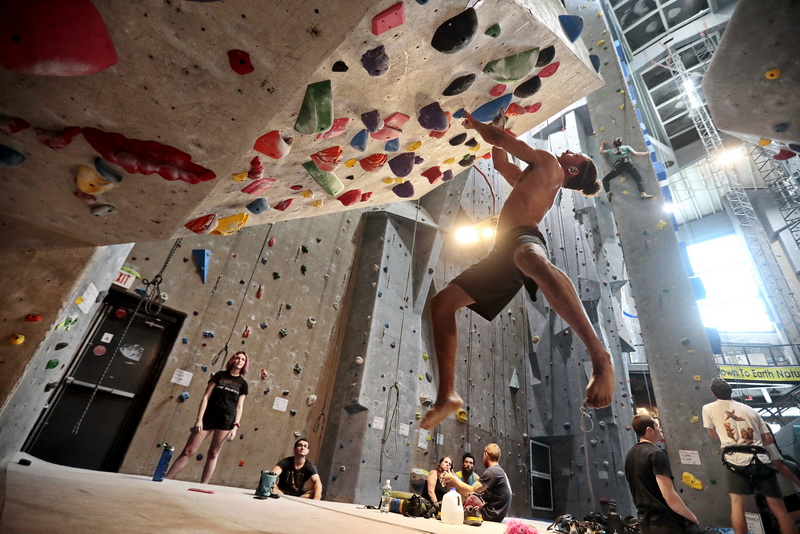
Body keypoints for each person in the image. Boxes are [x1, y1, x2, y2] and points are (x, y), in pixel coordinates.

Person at [420, 111, 615, 430]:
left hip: (522, 237)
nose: (567, 150)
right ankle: (447, 396)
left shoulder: (551, 164)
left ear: (573, 167)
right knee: (441, 306)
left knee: (531, 259)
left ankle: (599, 355)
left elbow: (499, 140)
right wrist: (497, 129)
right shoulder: (539, 177)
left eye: (574, 153)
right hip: (501, 253)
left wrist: (478, 122)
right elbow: (501, 163)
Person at [702, 377, 800, 534]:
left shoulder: (708, 408)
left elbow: (712, 434)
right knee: (779, 509)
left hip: (735, 460)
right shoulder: (750, 410)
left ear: (713, 393)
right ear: (731, 391)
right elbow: (768, 439)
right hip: (761, 459)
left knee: (737, 505)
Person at [166, 351, 248, 483]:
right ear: (233, 360)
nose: (240, 361)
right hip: (208, 417)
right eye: (238, 358)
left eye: (243, 359)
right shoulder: (219, 376)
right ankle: (166, 479)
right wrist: (199, 419)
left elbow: (239, 406)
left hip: (226, 420)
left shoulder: (243, 384)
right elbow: (205, 397)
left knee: (213, 453)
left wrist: (235, 426)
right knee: (188, 450)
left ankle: (203, 485)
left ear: (245, 364)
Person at [624, 414, 701, 533]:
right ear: (649, 430)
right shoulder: (656, 454)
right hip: (666, 523)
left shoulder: (630, 454)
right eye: (657, 426)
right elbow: (669, 496)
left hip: (645, 523)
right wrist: (692, 517)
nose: (660, 429)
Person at [445, 443, 511, 522]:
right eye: (466, 462)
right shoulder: (500, 471)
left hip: (490, 514)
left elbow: (471, 492)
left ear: (486, 454)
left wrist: (452, 479)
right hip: (498, 513)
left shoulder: (492, 471)